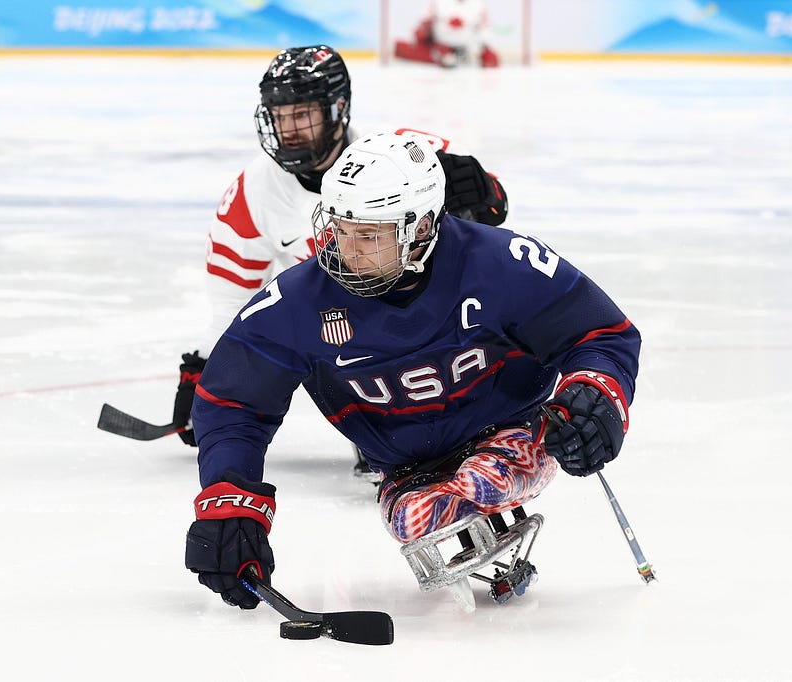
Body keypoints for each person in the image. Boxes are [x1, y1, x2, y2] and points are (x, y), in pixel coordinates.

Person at [184, 130, 640, 609]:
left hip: (518, 431)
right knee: (414, 518)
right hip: (408, 471)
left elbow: (601, 334)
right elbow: (233, 403)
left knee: (487, 479)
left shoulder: (500, 263)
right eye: (338, 228)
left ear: (421, 227)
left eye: (367, 234)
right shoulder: (297, 301)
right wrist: (229, 499)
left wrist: (594, 396)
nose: (343, 249)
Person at [172, 45, 509, 480]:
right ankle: (381, 426)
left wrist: (485, 197)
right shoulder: (254, 192)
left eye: (302, 114)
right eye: (280, 116)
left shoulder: (406, 153)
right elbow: (233, 298)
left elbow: (492, 222)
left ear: (339, 108)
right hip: (343, 334)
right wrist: (208, 371)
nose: (289, 129)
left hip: (431, 315)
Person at [395, 0, 500, 68]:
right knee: (403, 48)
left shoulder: (477, 5)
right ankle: (446, 57)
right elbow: (426, 23)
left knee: (491, 59)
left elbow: (484, 28)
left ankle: (459, 57)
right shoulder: (439, 3)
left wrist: (481, 48)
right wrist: (424, 31)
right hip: (442, 46)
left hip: (467, 47)